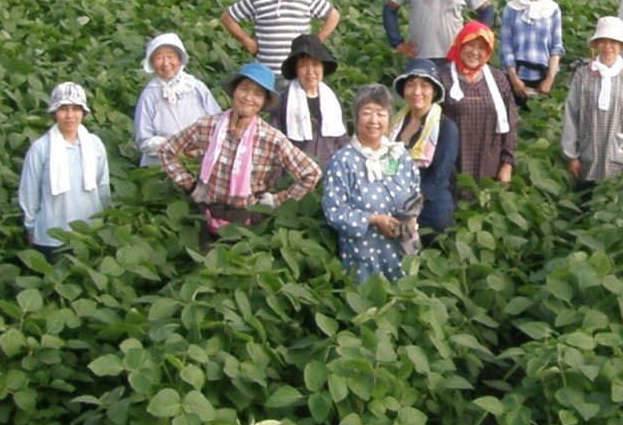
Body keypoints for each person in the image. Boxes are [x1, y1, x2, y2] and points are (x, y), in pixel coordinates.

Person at [157, 62, 322, 247]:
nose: (249, 98)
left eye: (257, 94)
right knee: (207, 268)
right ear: (234, 91)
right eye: (244, 89)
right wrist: (188, 184)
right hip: (207, 216)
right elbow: (166, 150)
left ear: (264, 102)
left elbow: (311, 172)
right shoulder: (207, 126)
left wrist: (278, 200)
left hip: (249, 224)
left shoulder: (271, 138)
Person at [323, 84, 426, 281]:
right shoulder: (343, 161)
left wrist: (411, 218)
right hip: (363, 253)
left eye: (381, 113)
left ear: (389, 119)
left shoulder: (396, 154)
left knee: (401, 302)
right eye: (367, 113)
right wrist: (375, 219)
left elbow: (414, 191)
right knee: (369, 305)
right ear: (356, 117)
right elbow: (334, 211)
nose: (374, 120)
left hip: (401, 249)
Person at [16, 81, 113, 250]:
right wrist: (30, 227)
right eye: (63, 109)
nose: (70, 115)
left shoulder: (94, 144)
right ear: (54, 113)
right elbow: (29, 191)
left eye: (76, 109)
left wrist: (104, 221)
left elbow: (103, 186)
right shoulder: (41, 148)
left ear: (83, 112)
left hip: (89, 233)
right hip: (51, 235)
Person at [562, 15, 623, 185]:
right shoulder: (583, 75)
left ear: (621, 46)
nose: (608, 47)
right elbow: (571, 114)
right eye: (602, 41)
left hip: (620, 156)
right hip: (587, 154)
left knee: (612, 196)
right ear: (596, 45)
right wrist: (571, 156)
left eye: (613, 42)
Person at [392, 59, 463, 242]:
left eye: (424, 86)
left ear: (434, 91)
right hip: (396, 201)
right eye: (411, 85)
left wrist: (410, 205)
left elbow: (440, 177)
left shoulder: (446, 127)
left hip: (431, 208)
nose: (417, 92)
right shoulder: (396, 122)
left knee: (433, 255)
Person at [444, 20, 522, 185]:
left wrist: (507, 164)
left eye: (482, 48)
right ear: (460, 44)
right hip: (450, 163)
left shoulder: (498, 78)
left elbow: (511, 121)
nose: (475, 52)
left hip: (490, 163)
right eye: (470, 45)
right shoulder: (442, 77)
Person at [133, 32, 219, 168]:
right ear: (152, 63)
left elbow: (217, 124)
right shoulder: (149, 95)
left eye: (170, 56)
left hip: (198, 161)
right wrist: (174, 146)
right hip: (161, 165)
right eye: (159, 58)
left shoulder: (196, 87)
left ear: (180, 58)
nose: (166, 63)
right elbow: (143, 140)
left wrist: (199, 148)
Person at [276, 34, 350, 169]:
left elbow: (342, 141)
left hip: (331, 171)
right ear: (296, 70)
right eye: (303, 65)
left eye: (315, 64)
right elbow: (275, 144)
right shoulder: (283, 102)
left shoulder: (333, 100)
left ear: (322, 68)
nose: (310, 71)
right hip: (296, 173)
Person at [500, 0, 564, 99]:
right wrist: (514, 79)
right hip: (515, 75)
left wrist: (550, 78)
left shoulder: (553, 10)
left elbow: (556, 47)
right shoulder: (511, 9)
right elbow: (506, 47)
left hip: (544, 77)